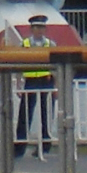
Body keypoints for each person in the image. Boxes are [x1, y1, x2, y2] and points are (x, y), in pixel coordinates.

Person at [13, 13, 58, 160]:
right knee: (25, 115)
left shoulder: (50, 45)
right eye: (37, 27)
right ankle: (19, 148)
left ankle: (45, 146)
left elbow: (56, 66)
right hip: (30, 81)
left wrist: (57, 85)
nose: (40, 30)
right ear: (31, 29)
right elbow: (19, 64)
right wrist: (18, 82)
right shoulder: (24, 44)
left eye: (42, 27)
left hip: (47, 80)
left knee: (47, 115)